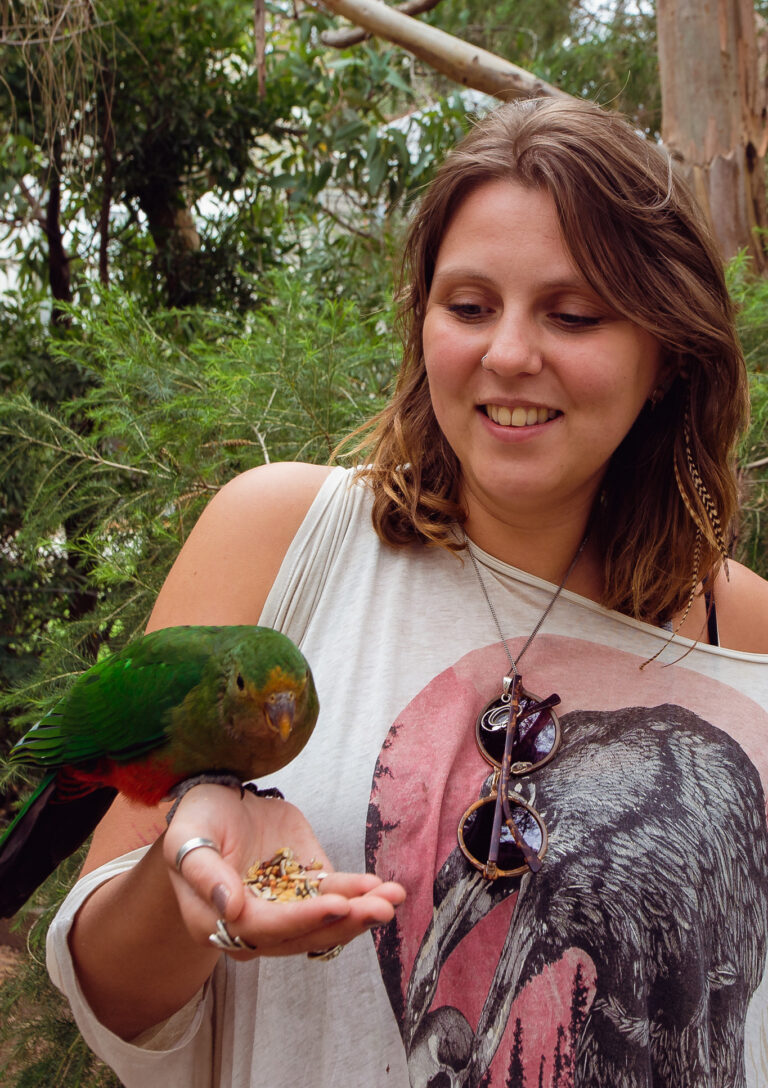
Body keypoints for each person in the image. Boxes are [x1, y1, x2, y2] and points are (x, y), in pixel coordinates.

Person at [47, 96, 768, 1088]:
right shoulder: (279, 539)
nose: (509, 353)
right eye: (469, 306)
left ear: (667, 356)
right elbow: (108, 999)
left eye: (573, 313)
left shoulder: (749, 632)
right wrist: (190, 884)